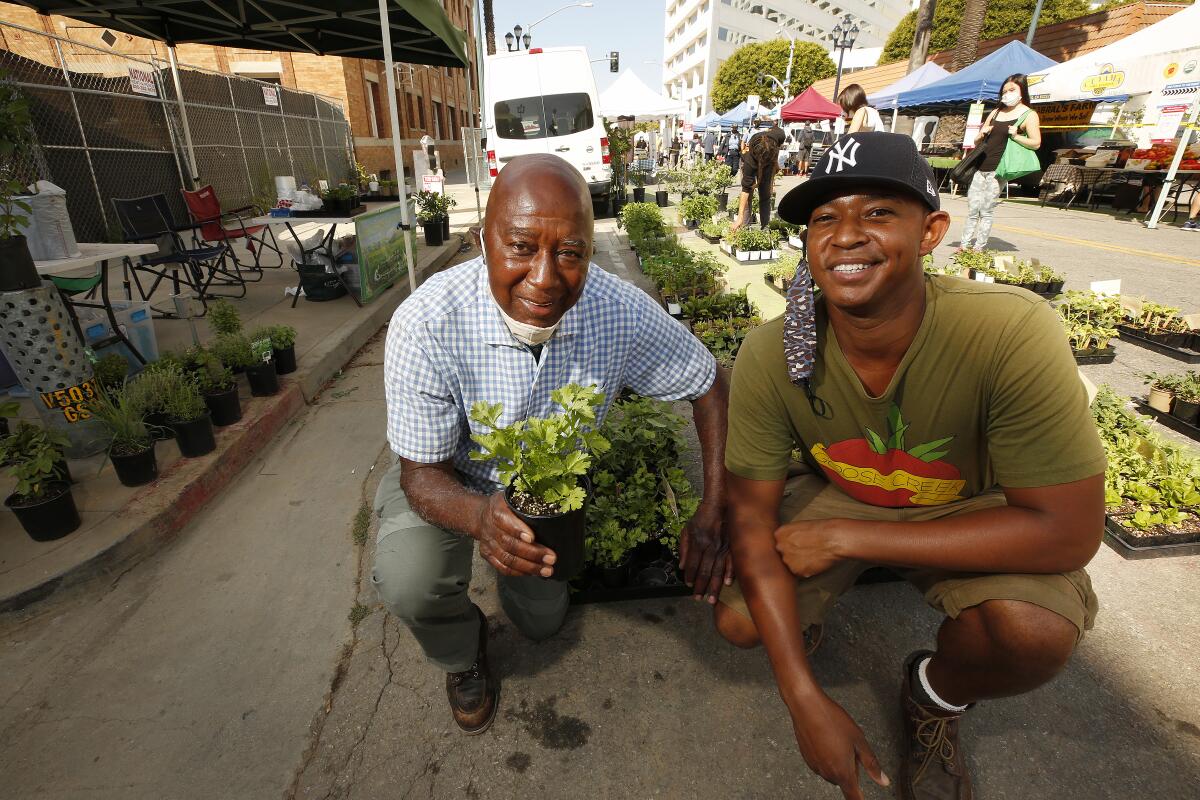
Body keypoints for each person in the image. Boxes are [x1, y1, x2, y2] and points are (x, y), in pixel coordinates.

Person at [715, 131, 1104, 800]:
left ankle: (932, 695)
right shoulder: (775, 351)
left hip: (963, 506)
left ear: (931, 231)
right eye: (825, 218)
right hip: (845, 490)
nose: (845, 235)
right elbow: (748, 518)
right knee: (742, 621)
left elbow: (1068, 532)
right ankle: (808, 614)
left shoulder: (1007, 331)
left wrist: (851, 539)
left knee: (1034, 635)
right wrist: (802, 698)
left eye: (877, 213)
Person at [373, 154, 731, 736]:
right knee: (410, 578)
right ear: (482, 241)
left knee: (541, 623)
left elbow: (708, 382)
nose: (544, 279)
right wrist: (480, 517)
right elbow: (421, 476)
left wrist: (713, 509)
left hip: (549, 493)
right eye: (520, 247)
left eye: (570, 253)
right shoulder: (428, 322)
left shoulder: (617, 310)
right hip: (452, 478)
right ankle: (462, 654)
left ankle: (524, 594)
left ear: (591, 252)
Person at [960, 74, 1041, 250]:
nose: (1007, 94)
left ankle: (978, 248)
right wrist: (983, 133)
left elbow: (1036, 143)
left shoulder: (1028, 115)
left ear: (1022, 91)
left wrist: (1016, 135)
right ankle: (964, 245)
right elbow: (976, 141)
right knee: (973, 209)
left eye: (1012, 90)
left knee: (986, 210)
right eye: (1004, 91)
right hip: (979, 166)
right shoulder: (996, 112)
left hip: (999, 170)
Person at [730, 118, 786, 232]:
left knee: (765, 195)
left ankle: (765, 228)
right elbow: (745, 189)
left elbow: (778, 147)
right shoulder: (751, 160)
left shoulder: (779, 134)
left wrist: (774, 166)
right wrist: (739, 217)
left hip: (770, 162)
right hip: (752, 161)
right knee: (748, 194)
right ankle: (744, 227)